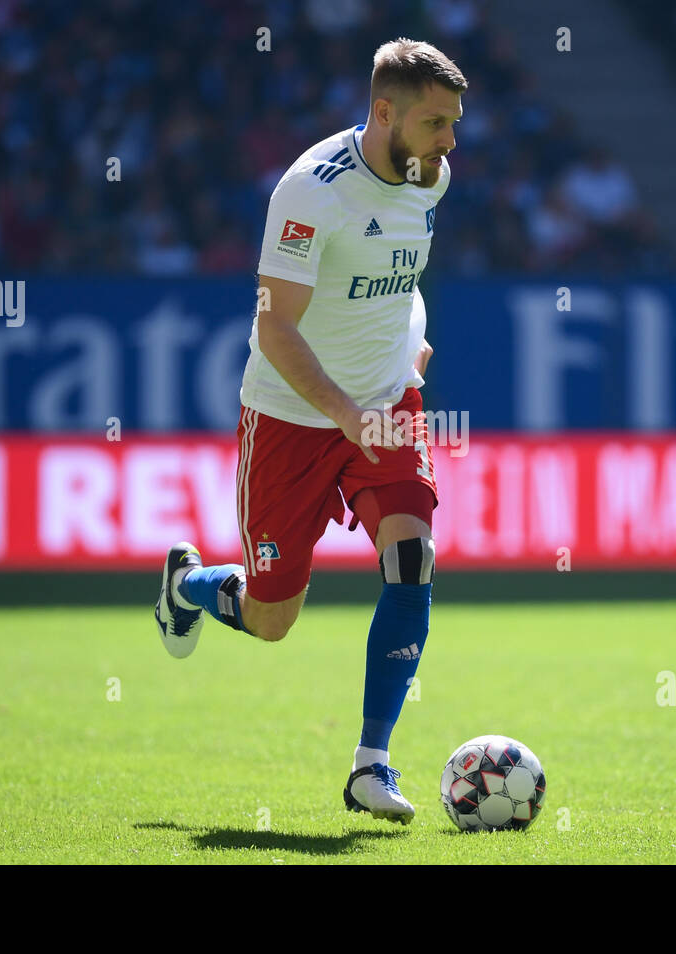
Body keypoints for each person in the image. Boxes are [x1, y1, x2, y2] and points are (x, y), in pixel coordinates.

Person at [152, 38, 465, 825]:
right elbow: (277, 327)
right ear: (384, 112)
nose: (449, 143)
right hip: (292, 414)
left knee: (410, 554)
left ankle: (371, 764)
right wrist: (342, 413)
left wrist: (409, 348)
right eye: (436, 122)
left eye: (455, 124)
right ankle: (187, 585)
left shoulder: (431, 176)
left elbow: (404, 280)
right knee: (270, 619)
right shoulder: (309, 192)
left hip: (389, 404)